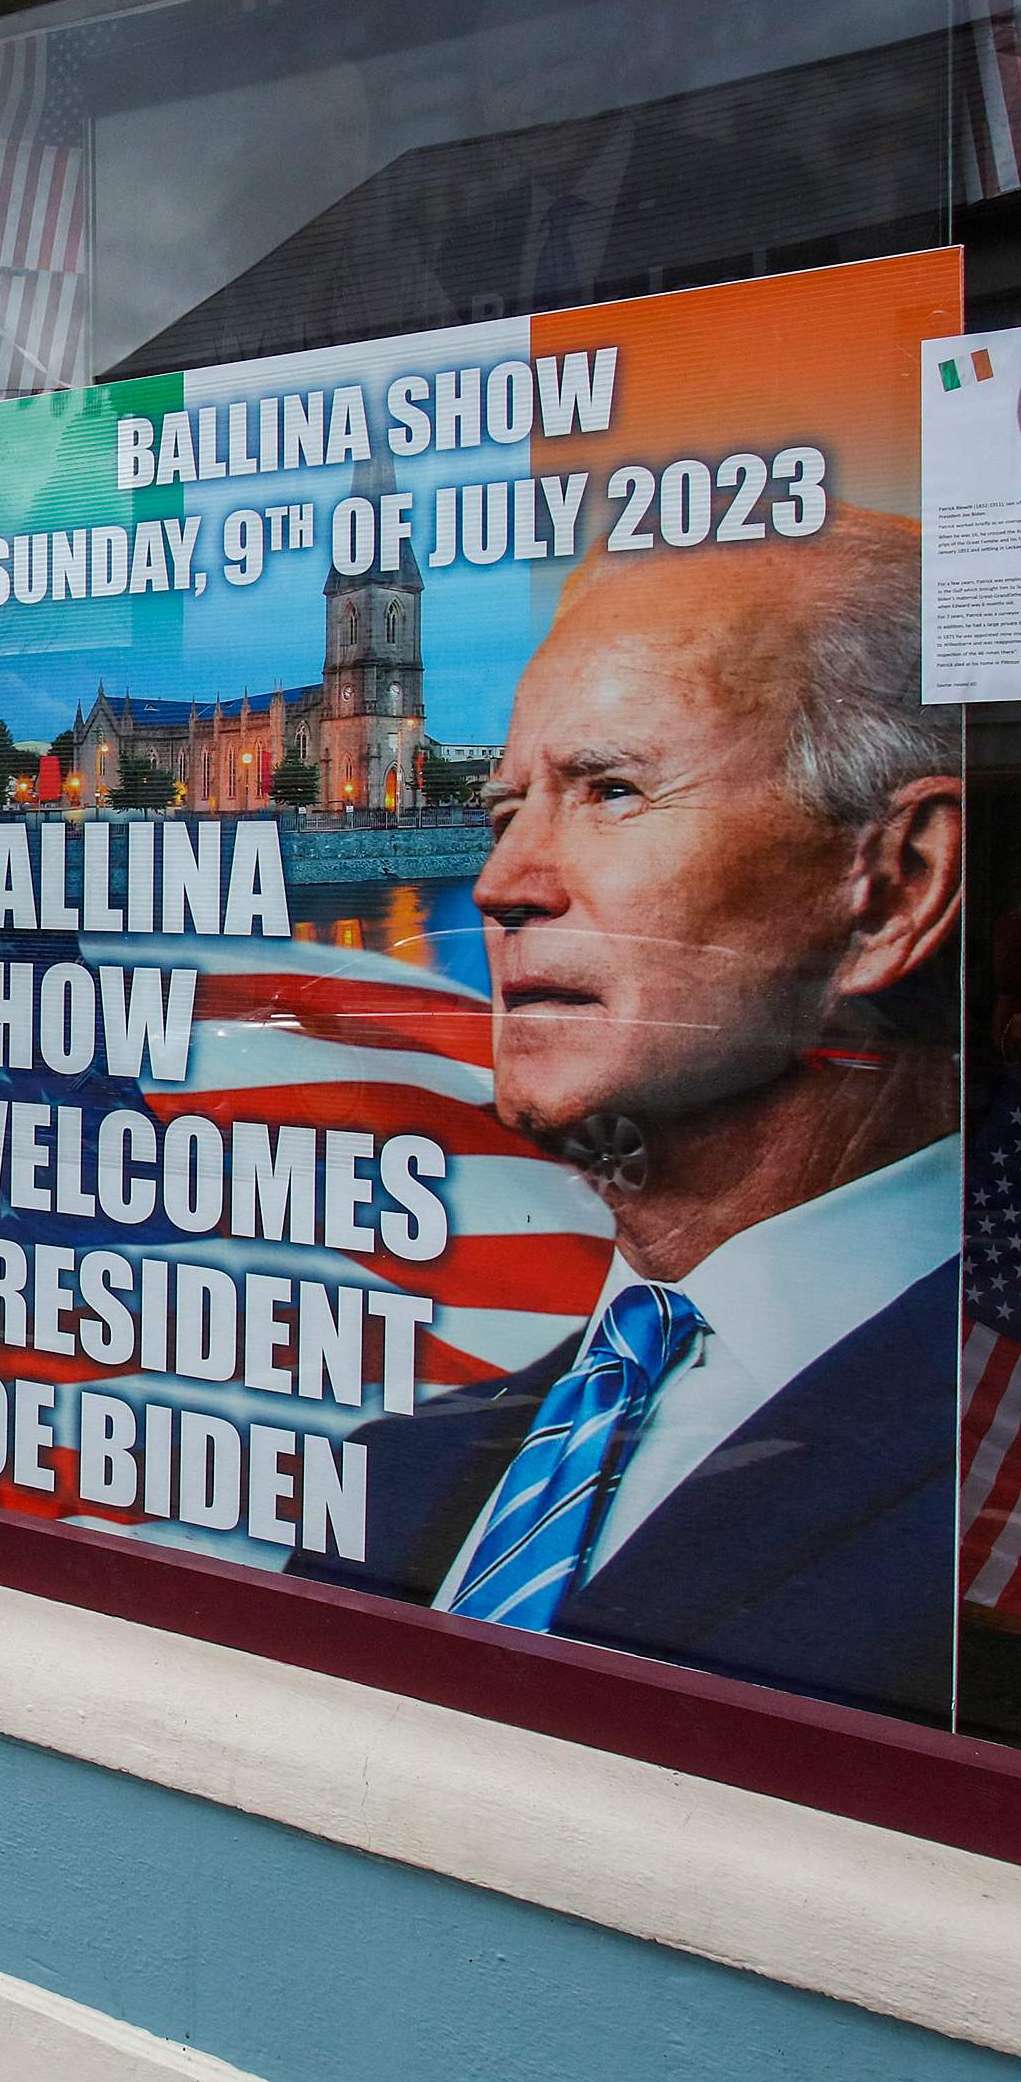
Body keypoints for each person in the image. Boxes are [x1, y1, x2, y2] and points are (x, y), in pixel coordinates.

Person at [297, 522, 966, 1719]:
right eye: (507, 806)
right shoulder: (398, 1468)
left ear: (897, 884)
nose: (500, 883)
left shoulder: (978, 1456)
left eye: (612, 792)